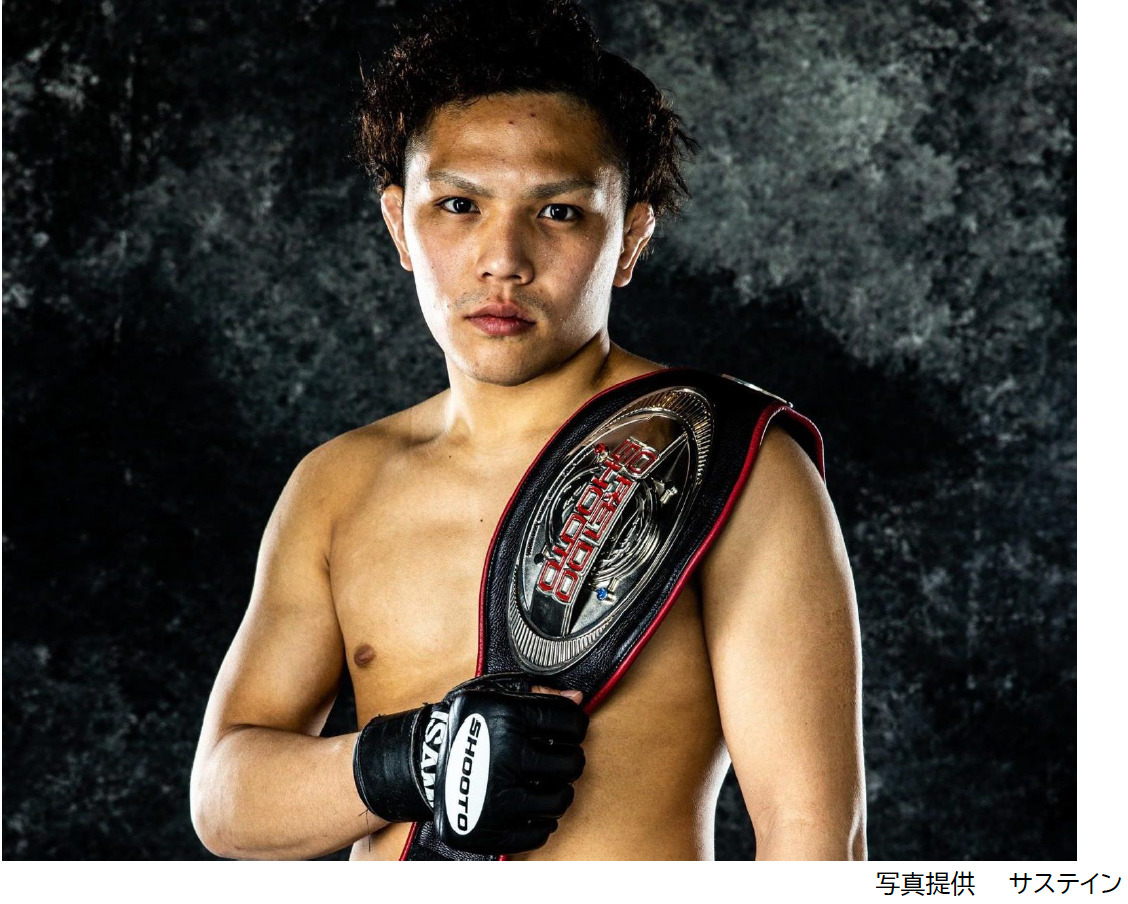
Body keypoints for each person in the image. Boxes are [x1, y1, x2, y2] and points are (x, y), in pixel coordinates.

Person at [189, 0, 865, 861]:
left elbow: (816, 842)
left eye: (559, 212)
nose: (502, 259)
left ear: (632, 238)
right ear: (400, 225)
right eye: (459, 204)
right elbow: (226, 799)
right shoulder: (339, 484)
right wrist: (414, 759)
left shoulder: (728, 459)